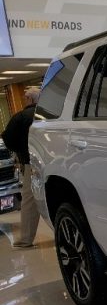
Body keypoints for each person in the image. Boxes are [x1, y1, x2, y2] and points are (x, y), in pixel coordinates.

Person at [1, 86, 41, 248]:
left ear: (29, 99)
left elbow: (8, 139)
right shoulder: (48, 115)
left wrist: (20, 150)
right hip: (52, 163)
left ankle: (26, 239)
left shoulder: (21, 117)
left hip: (31, 164)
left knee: (29, 201)